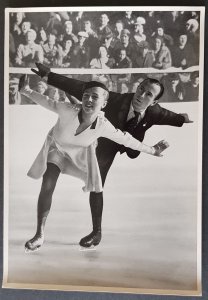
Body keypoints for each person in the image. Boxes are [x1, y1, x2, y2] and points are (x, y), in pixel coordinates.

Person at [30, 63, 193, 249]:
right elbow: (79, 86)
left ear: (154, 101)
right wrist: (48, 77)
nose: (141, 95)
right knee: (96, 184)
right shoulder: (117, 99)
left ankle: (95, 230)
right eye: (141, 89)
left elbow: (168, 116)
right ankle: (96, 232)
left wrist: (182, 119)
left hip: (130, 145)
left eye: (149, 94)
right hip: (105, 142)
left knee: (105, 175)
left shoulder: (155, 112)